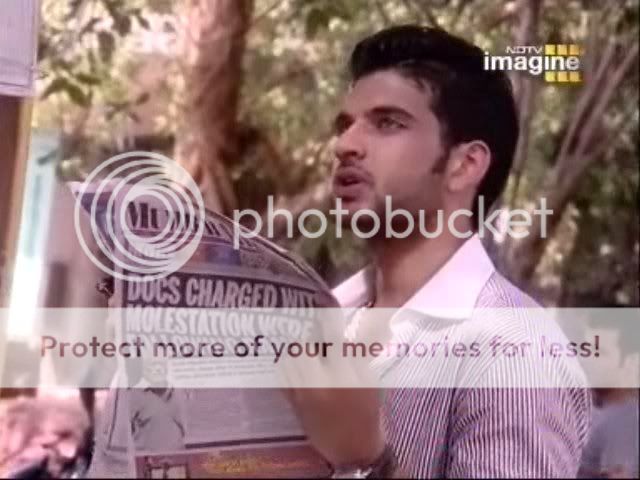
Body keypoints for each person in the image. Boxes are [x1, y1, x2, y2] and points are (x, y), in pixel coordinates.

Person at [285, 25, 592, 478]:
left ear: (464, 165)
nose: (345, 145)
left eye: (388, 123)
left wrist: (372, 459)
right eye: (345, 126)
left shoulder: (515, 353)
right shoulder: (326, 319)